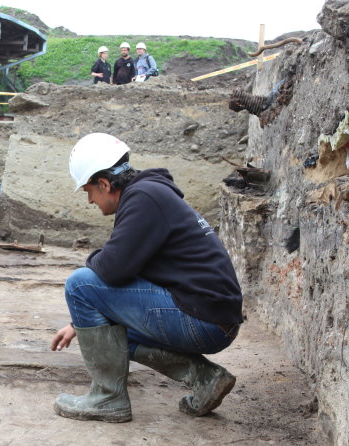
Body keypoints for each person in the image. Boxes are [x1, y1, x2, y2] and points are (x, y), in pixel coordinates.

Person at [51, 132, 243, 423]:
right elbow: (125, 269)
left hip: (203, 318)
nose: (89, 200)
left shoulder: (144, 199)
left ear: (104, 184)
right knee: (110, 334)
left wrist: (94, 259)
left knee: (79, 282)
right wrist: (78, 323)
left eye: (89, 191)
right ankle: (206, 378)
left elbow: (112, 268)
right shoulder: (149, 194)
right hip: (211, 316)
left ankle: (107, 399)